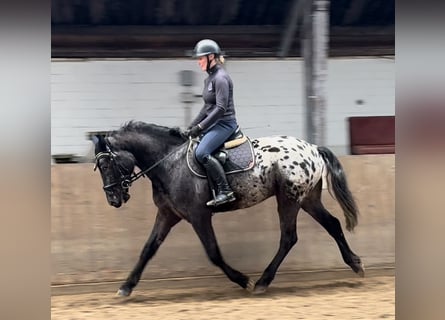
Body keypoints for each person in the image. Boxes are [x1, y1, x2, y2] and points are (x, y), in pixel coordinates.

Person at [187, 39, 238, 207]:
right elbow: (207, 108)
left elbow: (220, 108)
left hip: (225, 125)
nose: (198, 62)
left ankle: (225, 191)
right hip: (215, 124)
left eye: (201, 58)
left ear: (211, 57)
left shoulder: (221, 78)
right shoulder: (208, 80)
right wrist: (191, 127)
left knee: (201, 153)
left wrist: (200, 127)